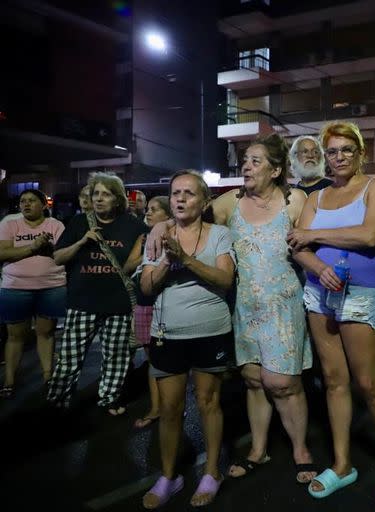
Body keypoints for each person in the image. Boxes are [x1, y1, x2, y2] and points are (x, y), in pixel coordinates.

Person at [146, 135, 316, 484]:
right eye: (246, 161)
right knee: (254, 380)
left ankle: (301, 450)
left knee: (284, 382)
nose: (246, 166)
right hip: (243, 306)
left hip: (283, 304)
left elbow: (313, 242)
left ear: (276, 169)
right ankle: (258, 449)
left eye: (255, 161)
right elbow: (188, 215)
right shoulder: (229, 203)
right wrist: (161, 224)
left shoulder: (295, 199)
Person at [287, 121, 375, 500]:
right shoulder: (316, 198)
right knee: (334, 382)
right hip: (318, 294)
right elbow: (296, 245)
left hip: (361, 294)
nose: (338, 158)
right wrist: (319, 267)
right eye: (332, 152)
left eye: (346, 150)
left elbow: (371, 234)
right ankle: (343, 464)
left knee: (369, 384)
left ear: (361, 154)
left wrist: (315, 235)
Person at [139, 171, 235, 509]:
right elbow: (147, 288)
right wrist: (168, 258)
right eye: (175, 192)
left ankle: (212, 472)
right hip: (168, 333)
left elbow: (225, 278)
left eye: (189, 193)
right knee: (168, 409)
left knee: (208, 402)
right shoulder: (157, 238)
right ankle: (169, 476)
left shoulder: (220, 235)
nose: (180, 199)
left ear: (204, 201)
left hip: (211, 330)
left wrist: (187, 260)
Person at [47, 173, 145, 415]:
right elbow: (57, 258)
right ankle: (58, 398)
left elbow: (146, 250)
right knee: (70, 357)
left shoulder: (131, 224)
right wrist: (81, 242)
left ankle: (109, 398)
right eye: (96, 194)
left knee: (116, 356)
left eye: (106, 194)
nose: (100, 199)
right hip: (82, 302)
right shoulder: (80, 223)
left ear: (117, 199)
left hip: (118, 302)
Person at [0, 189, 66, 398]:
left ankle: (48, 375)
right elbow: (3, 253)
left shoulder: (56, 225)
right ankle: (9, 379)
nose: (26, 204)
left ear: (43, 205)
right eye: (22, 201)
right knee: (15, 337)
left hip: (51, 287)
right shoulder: (9, 223)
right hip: (16, 288)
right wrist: (33, 247)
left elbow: (62, 253)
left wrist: (47, 248)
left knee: (45, 333)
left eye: (31, 201)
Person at [129, 196, 172, 429]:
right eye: (147, 210)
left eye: (154, 210)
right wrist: (145, 253)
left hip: (165, 303)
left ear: (167, 216)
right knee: (152, 360)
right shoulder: (144, 237)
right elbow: (127, 267)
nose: (147, 213)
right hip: (145, 304)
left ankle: (172, 408)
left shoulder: (175, 236)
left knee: (170, 360)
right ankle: (156, 409)